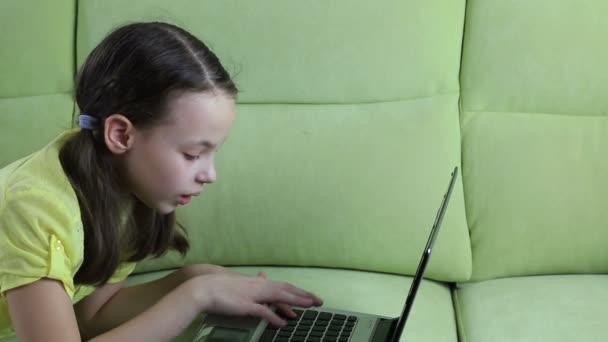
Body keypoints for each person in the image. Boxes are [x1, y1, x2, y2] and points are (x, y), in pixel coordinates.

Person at [0, 22, 322, 341]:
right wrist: (197, 294)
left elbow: (91, 316)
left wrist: (194, 278)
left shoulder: (115, 183)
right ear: (120, 134)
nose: (210, 175)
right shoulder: (35, 209)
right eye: (193, 154)